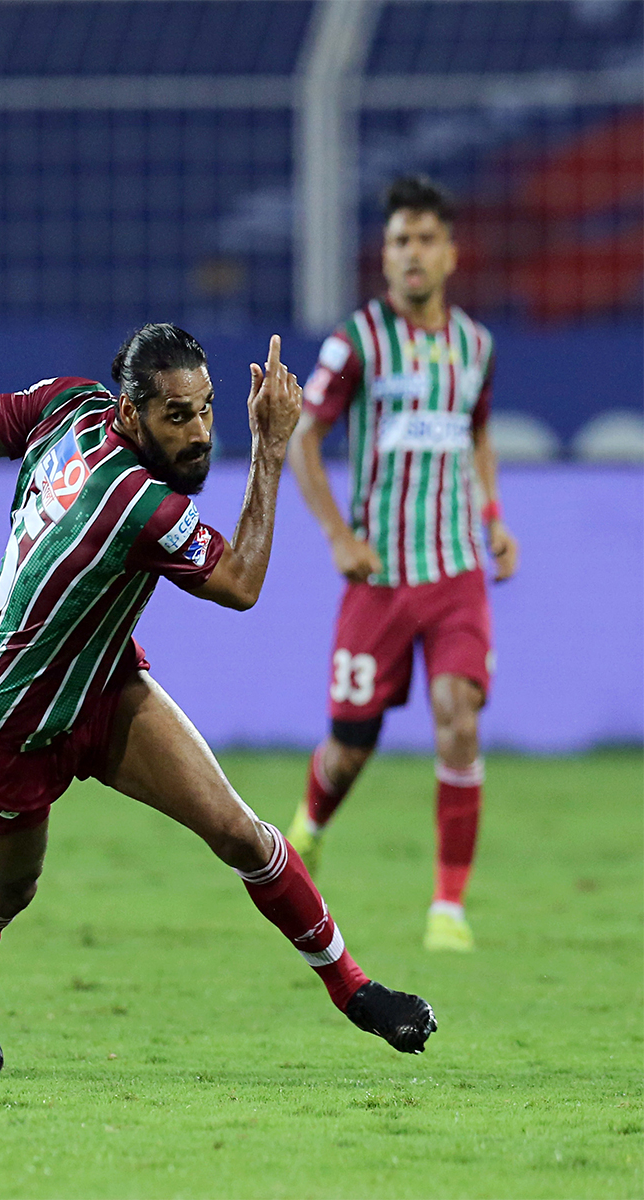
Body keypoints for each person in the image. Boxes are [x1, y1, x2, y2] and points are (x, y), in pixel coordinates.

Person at [0, 325, 437, 1072]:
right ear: (132, 414)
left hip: (101, 681)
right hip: (9, 718)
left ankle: (355, 991)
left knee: (238, 832)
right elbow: (240, 586)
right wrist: (269, 450)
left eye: (206, 410)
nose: (199, 433)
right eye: (178, 417)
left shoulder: (64, 406)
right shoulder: (139, 504)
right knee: (8, 889)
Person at [285, 175, 519, 953]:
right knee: (350, 745)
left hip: (454, 574)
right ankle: (310, 825)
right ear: (383, 258)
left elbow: (478, 434)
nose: (409, 254)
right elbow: (304, 438)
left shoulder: (475, 348)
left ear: (449, 253)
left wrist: (493, 519)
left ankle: (447, 907)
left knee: (460, 720)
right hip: (377, 579)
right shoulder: (357, 342)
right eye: (396, 241)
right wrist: (336, 537)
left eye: (423, 239)